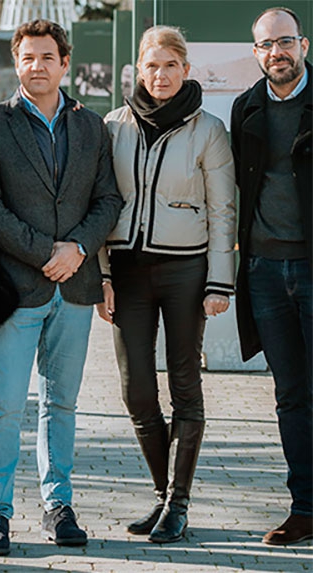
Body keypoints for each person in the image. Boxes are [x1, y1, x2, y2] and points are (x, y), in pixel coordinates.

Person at [0, 19, 123, 555]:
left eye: (46, 57)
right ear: (17, 64)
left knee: (61, 404)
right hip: (17, 287)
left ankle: (58, 505)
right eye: (28, 57)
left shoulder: (91, 127)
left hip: (75, 290)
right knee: (4, 406)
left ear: (65, 63)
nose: (37, 66)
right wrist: (45, 252)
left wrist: (77, 248)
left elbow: (108, 199)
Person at [96, 25, 236, 544]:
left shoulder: (208, 129)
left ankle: (179, 502)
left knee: (184, 385)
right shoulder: (114, 125)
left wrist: (220, 281)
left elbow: (224, 210)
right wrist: (103, 275)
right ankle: (162, 495)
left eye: (170, 66)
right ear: (139, 68)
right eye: (151, 66)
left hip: (186, 272)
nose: (160, 76)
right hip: (127, 272)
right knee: (136, 389)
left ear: (186, 69)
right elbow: (101, 204)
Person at [231, 7, 312, 546]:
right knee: (289, 394)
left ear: (303, 45)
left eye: (285, 42)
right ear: (256, 53)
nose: (276, 52)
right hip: (263, 269)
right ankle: (305, 508)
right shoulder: (246, 107)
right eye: (266, 45)